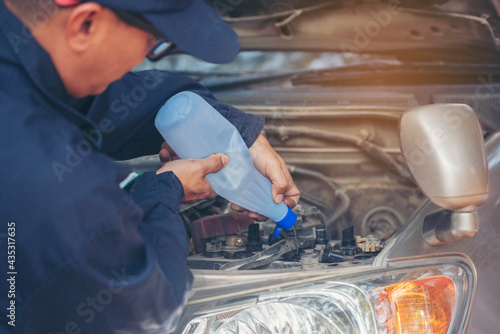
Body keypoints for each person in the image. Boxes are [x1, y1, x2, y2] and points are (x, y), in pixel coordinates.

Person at [0, 0, 299, 333]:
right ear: (85, 24)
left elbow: (98, 101)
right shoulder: (45, 181)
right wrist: (161, 191)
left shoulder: (18, 57)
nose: (145, 57)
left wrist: (240, 132)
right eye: (153, 42)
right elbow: (141, 306)